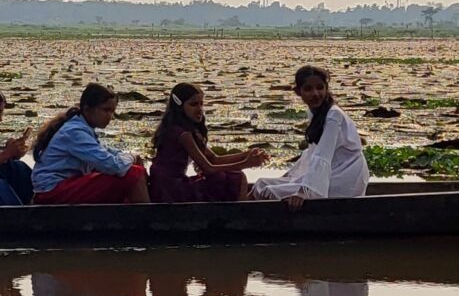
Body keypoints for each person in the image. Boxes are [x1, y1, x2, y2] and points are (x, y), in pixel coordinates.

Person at [254, 64, 370, 201]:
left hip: (346, 179)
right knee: (261, 184)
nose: (315, 94)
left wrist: (305, 192)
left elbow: (323, 156)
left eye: (320, 88)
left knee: (270, 191)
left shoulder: (334, 115)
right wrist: (291, 177)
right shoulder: (314, 112)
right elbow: (312, 153)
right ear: (298, 91)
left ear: (326, 88)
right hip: (328, 175)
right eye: (308, 89)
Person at [147, 82, 268, 203]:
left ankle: (243, 209)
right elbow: (208, 168)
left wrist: (247, 154)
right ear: (179, 106)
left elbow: (214, 159)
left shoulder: (185, 130)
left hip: (169, 186)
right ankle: (242, 216)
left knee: (229, 176)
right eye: (193, 104)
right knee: (237, 178)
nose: (199, 109)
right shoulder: (183, 135)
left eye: (201, 104)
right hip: (170, 189)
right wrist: (246, 164)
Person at [30, 84, 150, 205]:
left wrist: (128, 157)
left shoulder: (84, 129)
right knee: (133, 174)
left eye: (112, 111)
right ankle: (149, 219)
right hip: (52, 192)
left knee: (129, 170)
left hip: (63, 186)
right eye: (105, 110)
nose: (110, 116)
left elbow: (107, 152)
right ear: (87, 109)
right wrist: (132, 157)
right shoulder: (74, 132)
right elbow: (114, 166)